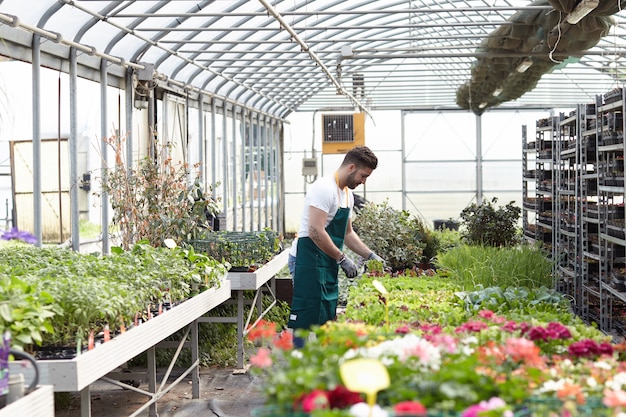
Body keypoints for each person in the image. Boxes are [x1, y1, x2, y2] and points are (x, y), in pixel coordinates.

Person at [287, 146, 384, 334]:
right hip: (306, 260)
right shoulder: (324, 188)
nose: (363, 182)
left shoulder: (347, 194)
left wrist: (370, 255)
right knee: (306, 316)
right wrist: (341, 258)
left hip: (326, 260)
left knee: (325, 314)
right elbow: (315, 230)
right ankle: (299, 357)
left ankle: (320, 357)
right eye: (363, 176)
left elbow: (347, 233)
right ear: (351, 167)